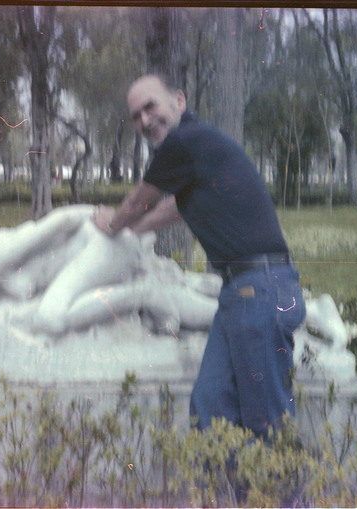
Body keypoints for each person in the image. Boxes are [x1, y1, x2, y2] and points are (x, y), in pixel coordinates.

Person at [93, 74, 306, 453]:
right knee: (210, 407)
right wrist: (133, 230)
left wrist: (112, 224)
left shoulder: (184, 141)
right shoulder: (196, 148)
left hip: (261, 291)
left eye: (150, 107)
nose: (144, 120)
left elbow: (141, 200)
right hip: (241, 293)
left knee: (269, 426)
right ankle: (225, 486)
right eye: (136, 116)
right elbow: (173, 209)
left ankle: (287, 489)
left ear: (178, 100)